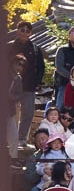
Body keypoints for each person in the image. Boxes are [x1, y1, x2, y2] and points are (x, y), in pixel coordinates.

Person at [11, 20, 46, 148]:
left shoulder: (35, 49)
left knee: (28, 113)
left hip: (28, 86)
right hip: (11, 86)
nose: (25, 33)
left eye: (27, 30)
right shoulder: (10, 47)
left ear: (31, 33)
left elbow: (41, 67)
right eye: (22, 30)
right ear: (17, 31)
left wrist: (37, 81)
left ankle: (21, 138)